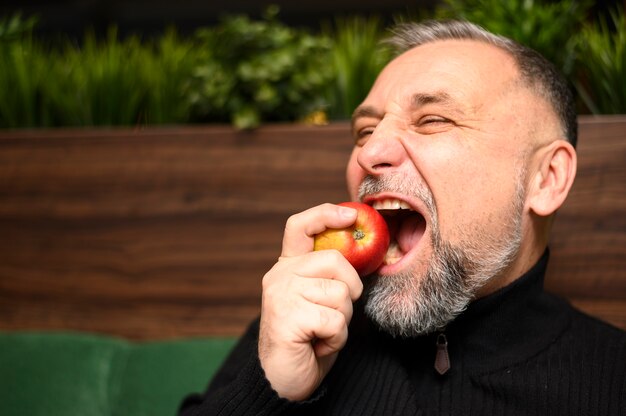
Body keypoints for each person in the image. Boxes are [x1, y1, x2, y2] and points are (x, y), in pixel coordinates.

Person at [179, 20, 626, 415]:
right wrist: (271, 392)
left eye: (432, 120)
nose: (370, 153)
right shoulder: (299, 325)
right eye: (366, 131)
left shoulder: (612, 380)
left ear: (546, 179)